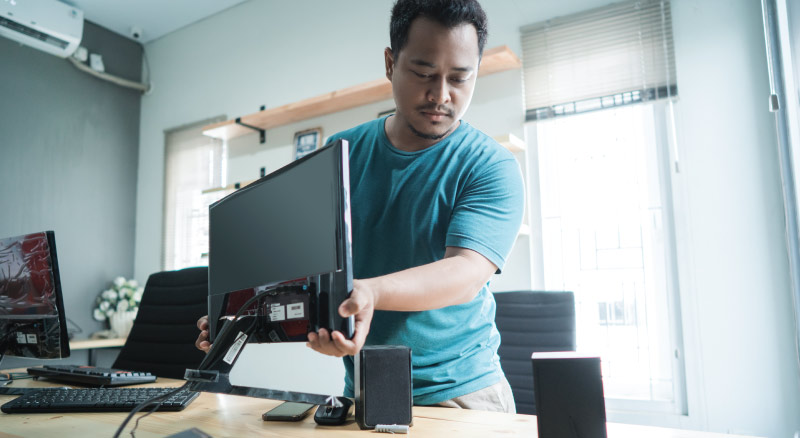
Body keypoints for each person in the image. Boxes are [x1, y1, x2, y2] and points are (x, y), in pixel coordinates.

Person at [196, 0, 524, 413]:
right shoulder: (342, 154)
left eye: (460, 78)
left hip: (460, 393)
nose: (441, 95)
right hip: (363, 389)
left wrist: (370, 292)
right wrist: (238, 314)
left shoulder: (490, 165)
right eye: (423, 73)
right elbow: (296, 261)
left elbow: (465, 273)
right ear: (390, 63)